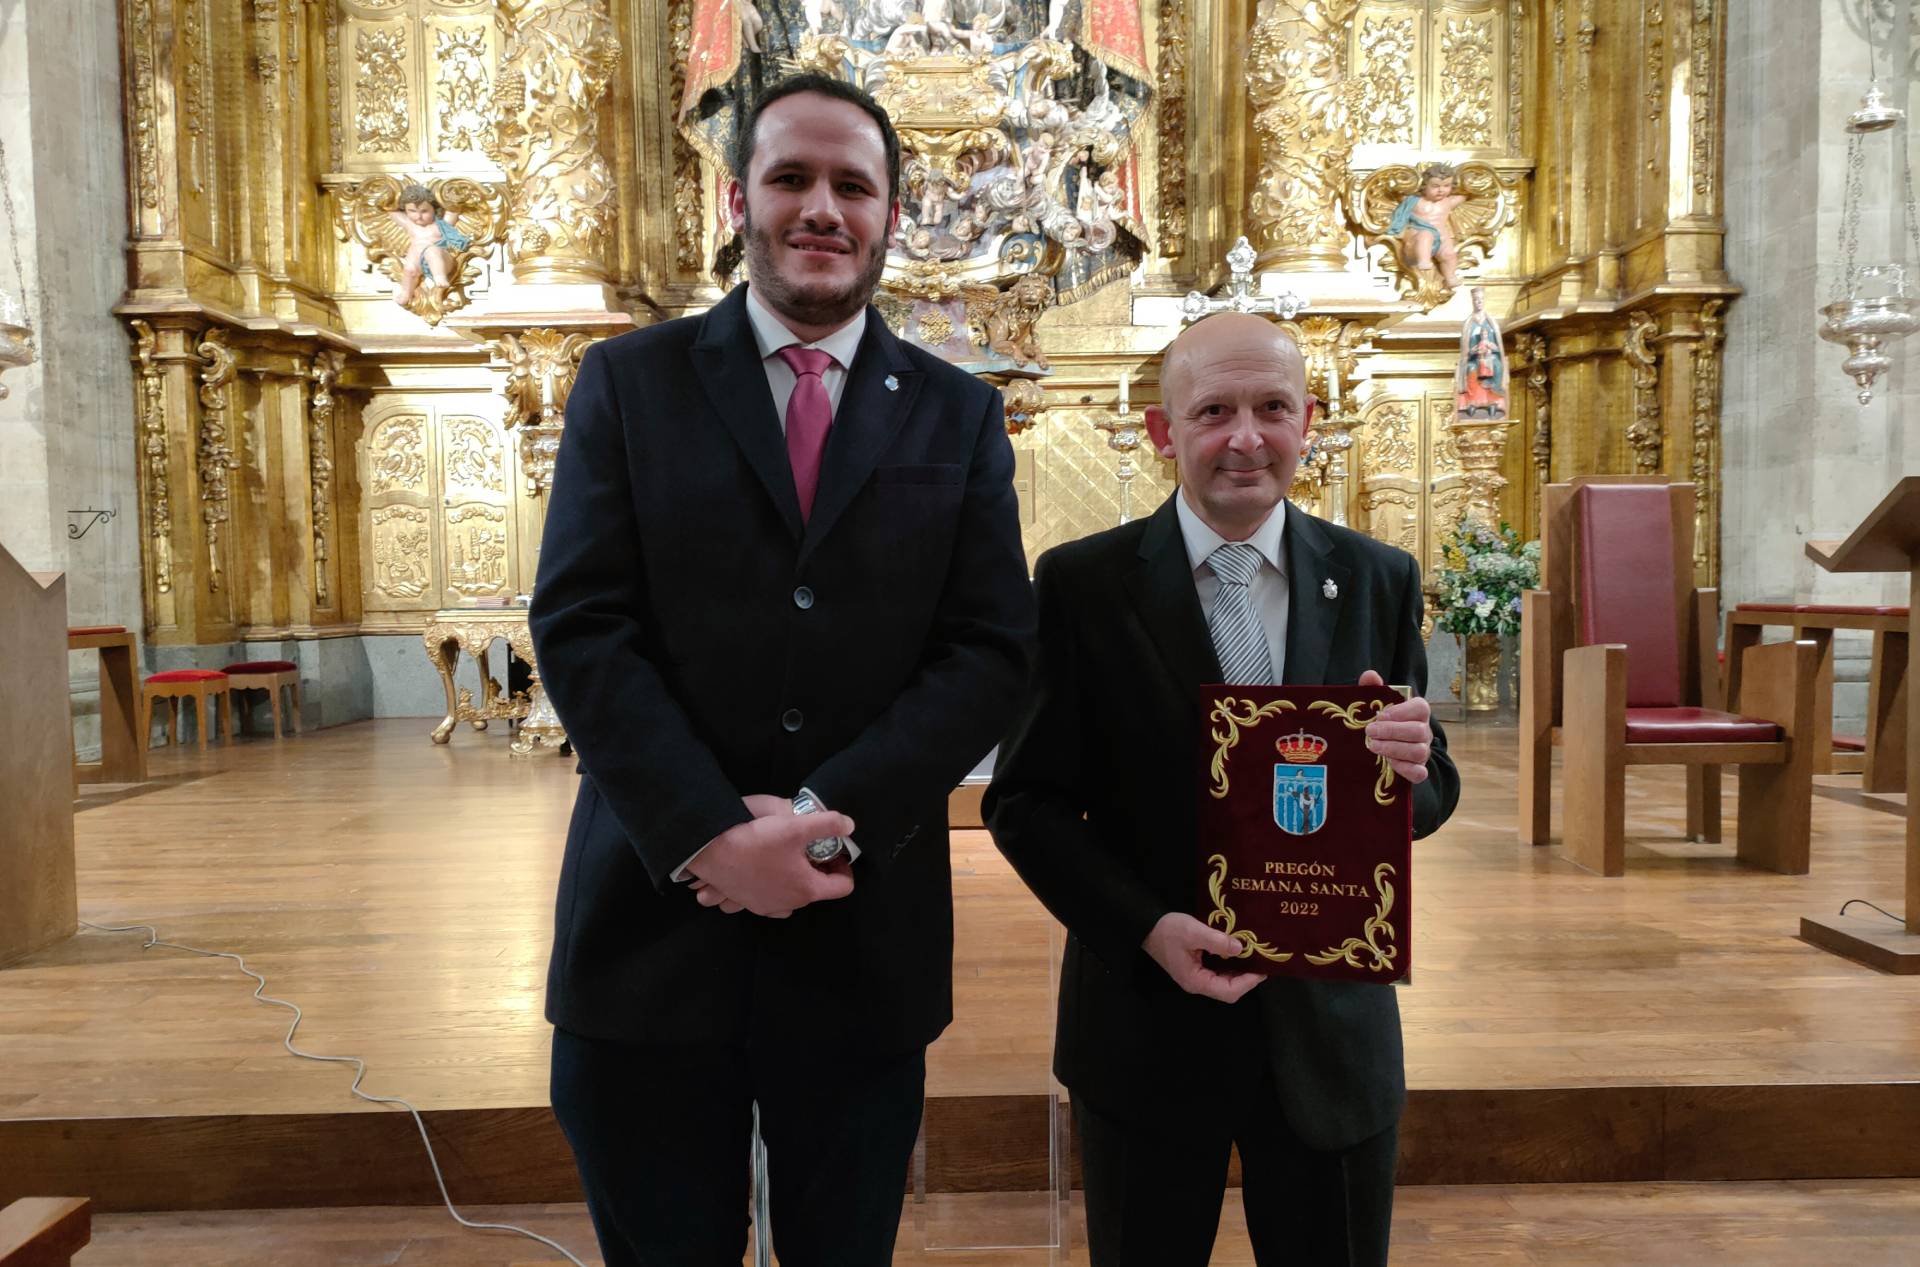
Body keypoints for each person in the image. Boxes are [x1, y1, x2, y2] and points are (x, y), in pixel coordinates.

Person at [529, 73, 1034, 1267]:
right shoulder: (630, 382)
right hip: (650, 930)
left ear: (891, 214)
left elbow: (990, 650)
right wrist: (710, 831)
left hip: (860, 939)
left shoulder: (960, 416)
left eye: (852, 185)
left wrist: (815, 820)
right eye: (792, 178)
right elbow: (584, 623)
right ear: (738, 199)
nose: (822, 207)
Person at [984, 313, 1460, 1266]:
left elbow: (1429, 788)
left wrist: (1410, 766)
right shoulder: (1082, 584)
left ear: (1308, 421)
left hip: (1330, 1032)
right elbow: (1023, 803)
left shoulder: (1379, 577)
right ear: (1165, 432)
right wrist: (1144, 925)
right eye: (1214, 411)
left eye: (1273, 407)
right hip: (1147, 1027)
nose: (1246, 437)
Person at [386, 184, 470, 308]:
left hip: (441, 260)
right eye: (412, 211)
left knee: (431, 251)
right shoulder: (410, 224)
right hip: (417, 259)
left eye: (424, 211)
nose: (418, 216)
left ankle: (439, 276)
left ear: (434, 209)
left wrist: (454, 198)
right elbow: (391, 212)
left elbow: (453, 210)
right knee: (409, 270)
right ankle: (406, 292)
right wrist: (387, 200)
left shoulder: (440, 225)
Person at [1388, 162, 1468, 292]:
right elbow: (1397, 191)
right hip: (1418, 234)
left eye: (1446, 186)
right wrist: (1404, 183)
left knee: (1449, 254)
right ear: (1424, 186)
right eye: (1435, 186)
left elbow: (1466, 195)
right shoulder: (1415, 201)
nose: (1441, 190)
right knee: (1426, 236)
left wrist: (1469, 186)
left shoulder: (1448, 202)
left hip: (1441, 236)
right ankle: (1423, 260)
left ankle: (1450, 276)